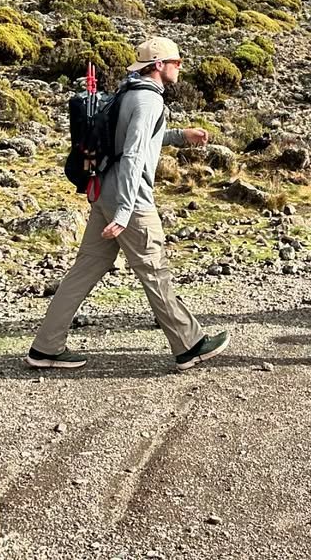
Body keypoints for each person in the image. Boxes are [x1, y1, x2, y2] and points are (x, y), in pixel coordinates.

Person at [25, 38, 230, 371]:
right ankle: (189, 346)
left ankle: (45, 348)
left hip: (104, 189)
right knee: (154, 270)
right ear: (159, 65)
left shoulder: (128, 92)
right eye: (176, 62)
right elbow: (133, 155)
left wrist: (179, 135)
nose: (180, 67)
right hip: (130, 199)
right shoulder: (148, 101)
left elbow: (132, 138)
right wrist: (124, 212)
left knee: (84, 271)